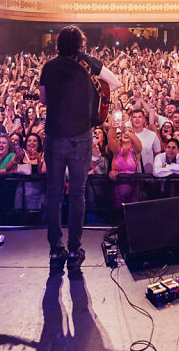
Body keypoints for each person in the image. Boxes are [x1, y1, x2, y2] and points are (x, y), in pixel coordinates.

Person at [39, 25, 120, 277]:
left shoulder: (49, 66)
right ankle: (74, 251)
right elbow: (115, 83)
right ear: (81, 45)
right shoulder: (89, 63)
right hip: (80, 136)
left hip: (54, 136)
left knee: (53, 194)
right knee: (77, 194)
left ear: (58, 45)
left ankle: (55, 250)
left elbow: (43, 99)